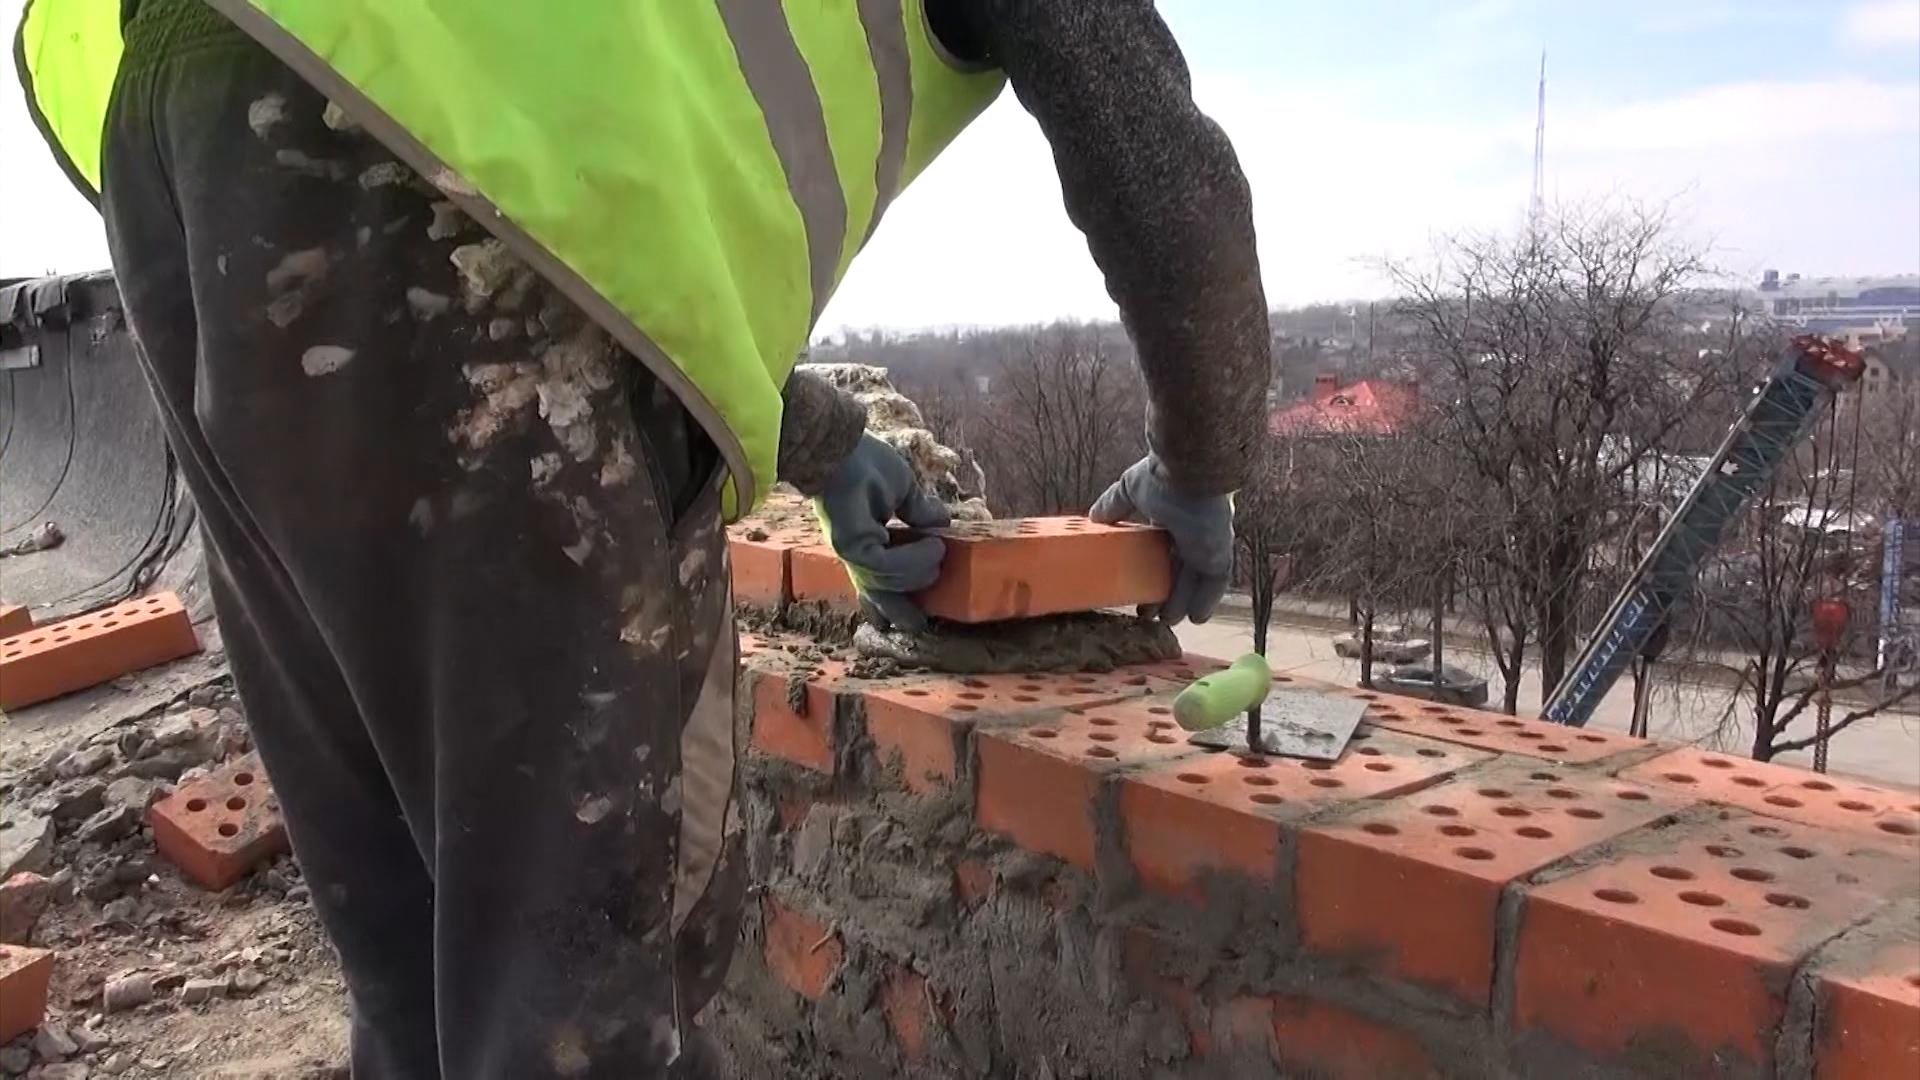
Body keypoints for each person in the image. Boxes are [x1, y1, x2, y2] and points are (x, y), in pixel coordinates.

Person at [17, 0, 1270, 1074]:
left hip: (210, 121)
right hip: (413, 165)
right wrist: (1201, 470)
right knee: (580, 990)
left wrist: (821, 441)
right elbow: (1162, 171)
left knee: (416, 951)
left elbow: (598, 175)